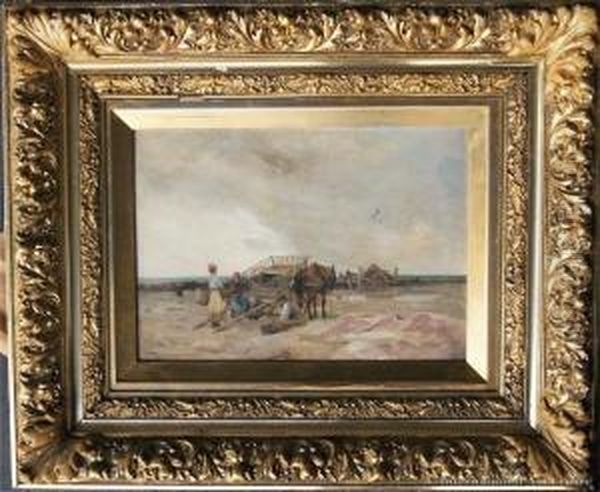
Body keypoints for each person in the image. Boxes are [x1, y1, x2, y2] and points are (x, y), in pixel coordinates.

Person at [207, 263, 226, 327]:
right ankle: (216, 322)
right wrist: (223, 294)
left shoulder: (210, 277)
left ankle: (213, 322)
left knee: (212, 307)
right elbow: (221, 286)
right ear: (215, 270)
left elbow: (210, 287)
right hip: (216, 293)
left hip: (212, 293)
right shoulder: (216, 277)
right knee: (217, 307)